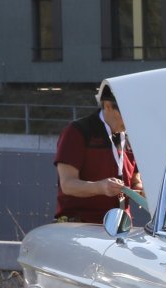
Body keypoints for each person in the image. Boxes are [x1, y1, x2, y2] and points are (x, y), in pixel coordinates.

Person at [54, 82, 143, 224]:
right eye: (126, 113)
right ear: (107, 106)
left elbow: (135, 179)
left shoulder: (130, 137)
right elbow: (67, 184)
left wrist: (140, 190)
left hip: (119, 226)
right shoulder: (77, 132)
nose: (130, 120)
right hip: (79, 225)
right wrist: (100, 187)